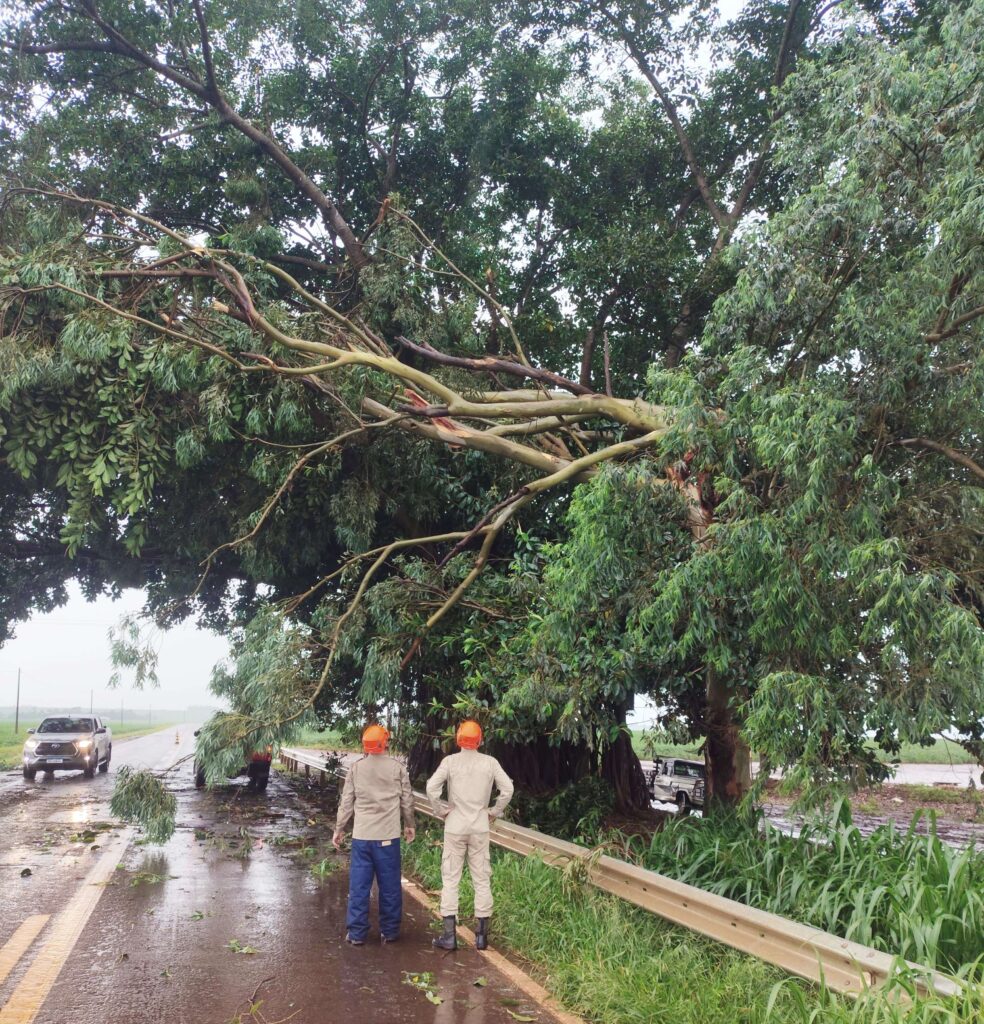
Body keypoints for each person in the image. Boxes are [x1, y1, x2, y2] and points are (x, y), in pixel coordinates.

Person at [425, 719, 514, 951]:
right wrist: (493, 811)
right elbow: (508, 789)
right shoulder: (490, 762)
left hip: (455, 826)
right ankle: (482, 937)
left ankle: (449, 936)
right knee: (481, 878)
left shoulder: (450, 762)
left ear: (458, 739)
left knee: (451, 878)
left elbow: (431, 788)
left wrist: (441, 810)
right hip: (480, 826)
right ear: (480, 740)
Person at [332, 724, 415, 945]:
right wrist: (409, 824)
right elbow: (407, 800)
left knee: (359, 886)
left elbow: (346, 802)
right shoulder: (397, 768)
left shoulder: (356, 769)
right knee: (389, 886)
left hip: (362, 838)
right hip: (388, 838)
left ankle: (357, 934)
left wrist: (339, 829)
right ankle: (389, 932)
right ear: (385, 742)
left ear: (365, 745)